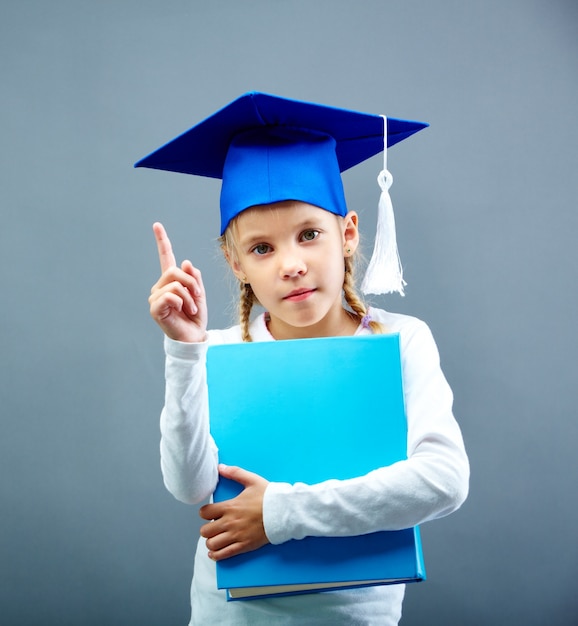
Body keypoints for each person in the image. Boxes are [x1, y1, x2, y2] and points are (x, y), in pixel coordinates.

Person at [137, 92, 469, 625]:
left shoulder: (398, 339)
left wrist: (278, 513)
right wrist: (184, 351)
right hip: (229, 616)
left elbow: (443, 479)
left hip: (353, 615)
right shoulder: (218, 349)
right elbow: (189, 486)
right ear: (236, 261)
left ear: (349, 232)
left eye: (309, 234)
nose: (291, 264)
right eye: (262, 248)